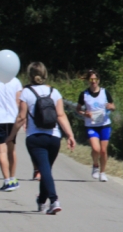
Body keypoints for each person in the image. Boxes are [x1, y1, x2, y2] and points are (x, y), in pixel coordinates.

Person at [6, 62, 76, 214]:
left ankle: (54, 199)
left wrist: (11, 136)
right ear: (45, 74)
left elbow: (20, 118)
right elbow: (61, 115)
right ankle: (42, 200)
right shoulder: (54, 92)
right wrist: (70, 135)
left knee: (44, 170)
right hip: (54, 137)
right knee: (46, 170)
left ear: (30, 75)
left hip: (35, 138)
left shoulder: (26, 92)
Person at [76, 70, 115, 181]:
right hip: (91, 125)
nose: (93, 82)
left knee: (103, 150)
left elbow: (113, 106)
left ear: (98, 80)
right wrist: (84, 113)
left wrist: (110, 107)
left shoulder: (105, 92)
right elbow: (78, 109)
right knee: (96, 148)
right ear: (88, 81)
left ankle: (103, 173)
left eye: (95, 79)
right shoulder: (84, 94)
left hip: (104, 124)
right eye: (91, 79)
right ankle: (95, 165)